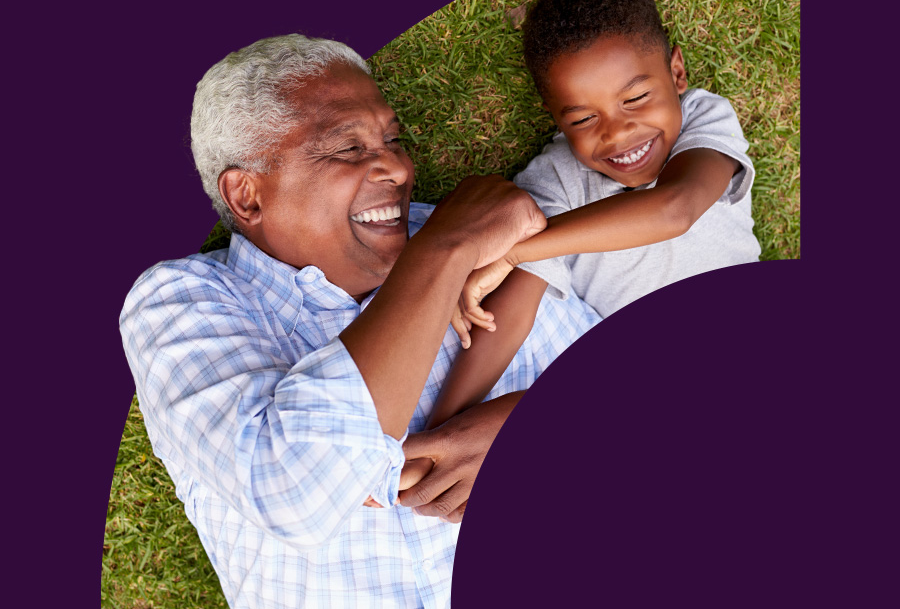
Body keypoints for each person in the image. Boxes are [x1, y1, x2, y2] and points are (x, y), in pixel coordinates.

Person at [119, 34, 599, 609]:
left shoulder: (489, 249)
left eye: (393, 140)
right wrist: (442, 252)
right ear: (246, 196)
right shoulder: (181, 302)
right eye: (346, 148)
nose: (396, 166)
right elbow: (296, 490)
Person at [428, 0, 761, 428]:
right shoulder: (555, 182)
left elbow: (676, 208)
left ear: (677, 73)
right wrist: (442, 428)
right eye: (584, 119)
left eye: (638, 97)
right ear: (557, 120)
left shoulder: (702, 121)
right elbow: (512, 312)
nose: (618, 132)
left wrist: (513, 250)